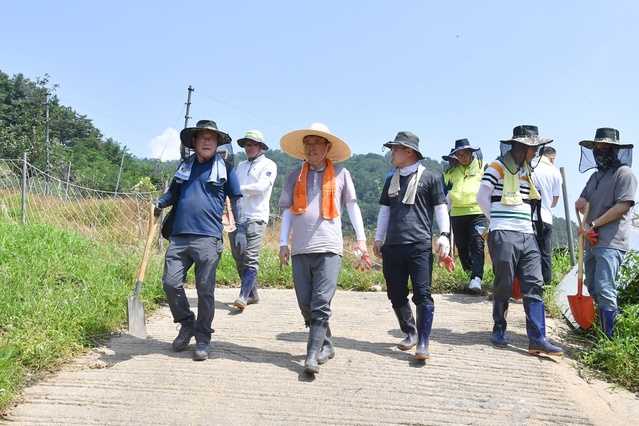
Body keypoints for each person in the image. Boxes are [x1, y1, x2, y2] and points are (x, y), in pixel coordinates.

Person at [278, 122, 369, 374]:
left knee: (320, 302)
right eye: (308, 143)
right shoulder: (294, 176)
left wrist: (361, 239)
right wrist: (283, 242)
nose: (311, 147)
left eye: (317, 143)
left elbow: (352, 206)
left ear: (328, 147)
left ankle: (311, 354)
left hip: (329, 247)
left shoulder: (341, 174)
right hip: (300, 248)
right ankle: (326, 344)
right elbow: (287, 212)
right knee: (305, 303)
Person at [153, 119, 247, 361]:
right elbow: (172, 193)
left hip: (208, 237)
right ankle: (186, 323)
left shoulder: (225, 168)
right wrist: (160, 202)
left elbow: (237, 199)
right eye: (202, 137)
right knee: (170, 283)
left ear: (217, 144)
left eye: (212, 138)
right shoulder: (185, 166)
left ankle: (203, 336)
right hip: (179, 236)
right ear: (194, 142)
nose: (207, 141)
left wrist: (243, 229)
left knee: (205, 290)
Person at [476, 125, 563, 356]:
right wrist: (496, 221)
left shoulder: (527, 171)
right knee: (503, 283)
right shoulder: (497, 166)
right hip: (503, 232)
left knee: (534, 284)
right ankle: (499, 328)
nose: (536, 153)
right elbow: (481, 196)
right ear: (521, 147)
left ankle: (537, 338)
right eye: (533, 148)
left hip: (527, 234)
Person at [373, 131, 450, 360]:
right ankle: (410, 331)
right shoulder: (391, 179)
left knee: (422, 293)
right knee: (395, 294)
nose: (392, 154)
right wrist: (378, 239)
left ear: (409, 152)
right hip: (394, 245)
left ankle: (424, 341)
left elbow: (440, 208)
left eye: (395, 149)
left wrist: (444, 235)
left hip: (419, 244)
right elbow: (385, 211)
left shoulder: (431, 178)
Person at [575, 127, 637, 338]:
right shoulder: (595, 177)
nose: (600, 151)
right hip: (592, 243)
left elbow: (623, 205)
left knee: (604, 286)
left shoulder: (624, 173)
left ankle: (609, 338)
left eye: (605, 148)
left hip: (611, 242)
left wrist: (593, 224)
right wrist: (580, 203)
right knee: (592, 285)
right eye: (597, 148)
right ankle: (599, 329)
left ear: (615, 150)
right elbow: (582, 201)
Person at [228, 130, 278, 310]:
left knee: (250, 257)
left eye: (253, 144)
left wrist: (238, 188)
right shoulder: (240, 166)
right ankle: (252, 294)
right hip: (237, 217)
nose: (250, 147)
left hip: (256, 216)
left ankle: (243, 295)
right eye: (247, 144)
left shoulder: (268, 165)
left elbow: (261, 187)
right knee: (238, 257)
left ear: (260, 146)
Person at [442, 138, 488, 294]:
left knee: (477, 242)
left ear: (471, 153)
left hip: (478, 213)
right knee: (461, 246)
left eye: (465, 154)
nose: (463, 157)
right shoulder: (450, 172)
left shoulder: (483, 167)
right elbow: (444, 194)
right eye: (459, 155)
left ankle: (477, 278)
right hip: (457, 214)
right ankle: (469, 275)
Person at [530, 146, 562, 286]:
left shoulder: (530, 165)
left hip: (527, 216)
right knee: (545, 254)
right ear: (552, 158)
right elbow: (554, 202)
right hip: (546, 218)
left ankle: (523, 287)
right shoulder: (555, 172)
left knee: (526, 254)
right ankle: (546, 287)